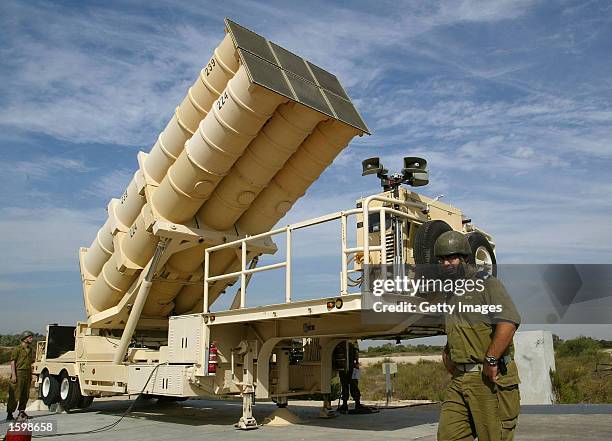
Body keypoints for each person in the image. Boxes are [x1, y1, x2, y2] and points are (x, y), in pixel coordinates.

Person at [432, 231, 521, 441]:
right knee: (448, 436)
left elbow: (508, 322)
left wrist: (491, 359)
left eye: (452, 258)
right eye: (442, 259)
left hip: (488, 377)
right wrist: (448, 353)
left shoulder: (487, 283)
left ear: (465, 258)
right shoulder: (451, 291)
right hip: (459, 379)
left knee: (494, 437)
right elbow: (459, 328)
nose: (447, 264)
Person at [333, 340, 369, 413]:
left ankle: (348, 404)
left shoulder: (340, 344)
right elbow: (356, 354)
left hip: (346, 367)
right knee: (350, 386)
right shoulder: (352, 343)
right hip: (349, 367)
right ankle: (353, 404)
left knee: (348, 386)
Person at [6, 331, 35, 421]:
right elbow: (13, 362)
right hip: (19, 373)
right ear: (25, 338)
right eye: (30, 337)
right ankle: (10, 414)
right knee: (15, 394)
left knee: (25, 394)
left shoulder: (30, 350)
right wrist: (14, 375)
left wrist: (31, 374)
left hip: (27, 373)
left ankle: (21, 412)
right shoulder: (17, 349)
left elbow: (31, 362)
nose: (31, 339)